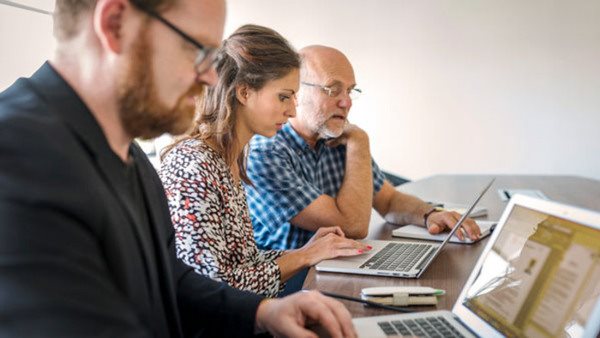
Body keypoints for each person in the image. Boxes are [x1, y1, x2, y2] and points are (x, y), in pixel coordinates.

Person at [0, 1, 356, 337]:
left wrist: (262, 313)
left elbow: (172, 278)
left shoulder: (128, 155)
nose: (211, 79)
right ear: (114, 25)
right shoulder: (17, 154)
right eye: (196, 49)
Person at [159, 24, 368, 297]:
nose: (292, 110)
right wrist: (305, 257)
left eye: (293, 97)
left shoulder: (230, 158)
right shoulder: (194, 166)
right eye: (284, 96)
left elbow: (242, 264)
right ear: (244, 92)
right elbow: (213, 287)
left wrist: (306, 251)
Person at [245, 45, 482, 251]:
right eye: (333, 89)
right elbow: (352, 226)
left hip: (334, 264)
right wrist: (360, 141)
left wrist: (431, 214)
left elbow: (388, 201)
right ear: (296, 91)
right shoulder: (265, 153)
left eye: (349, 90)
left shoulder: (335, 136)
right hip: (290, 284)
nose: (346, 102)